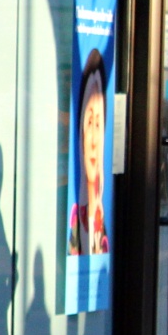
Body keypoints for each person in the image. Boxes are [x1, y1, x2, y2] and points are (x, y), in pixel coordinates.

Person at [69, 49, 109, 258]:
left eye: (98, 124)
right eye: (89, 122)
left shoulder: (105, 227)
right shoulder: (73, 220)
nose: (93, 140)